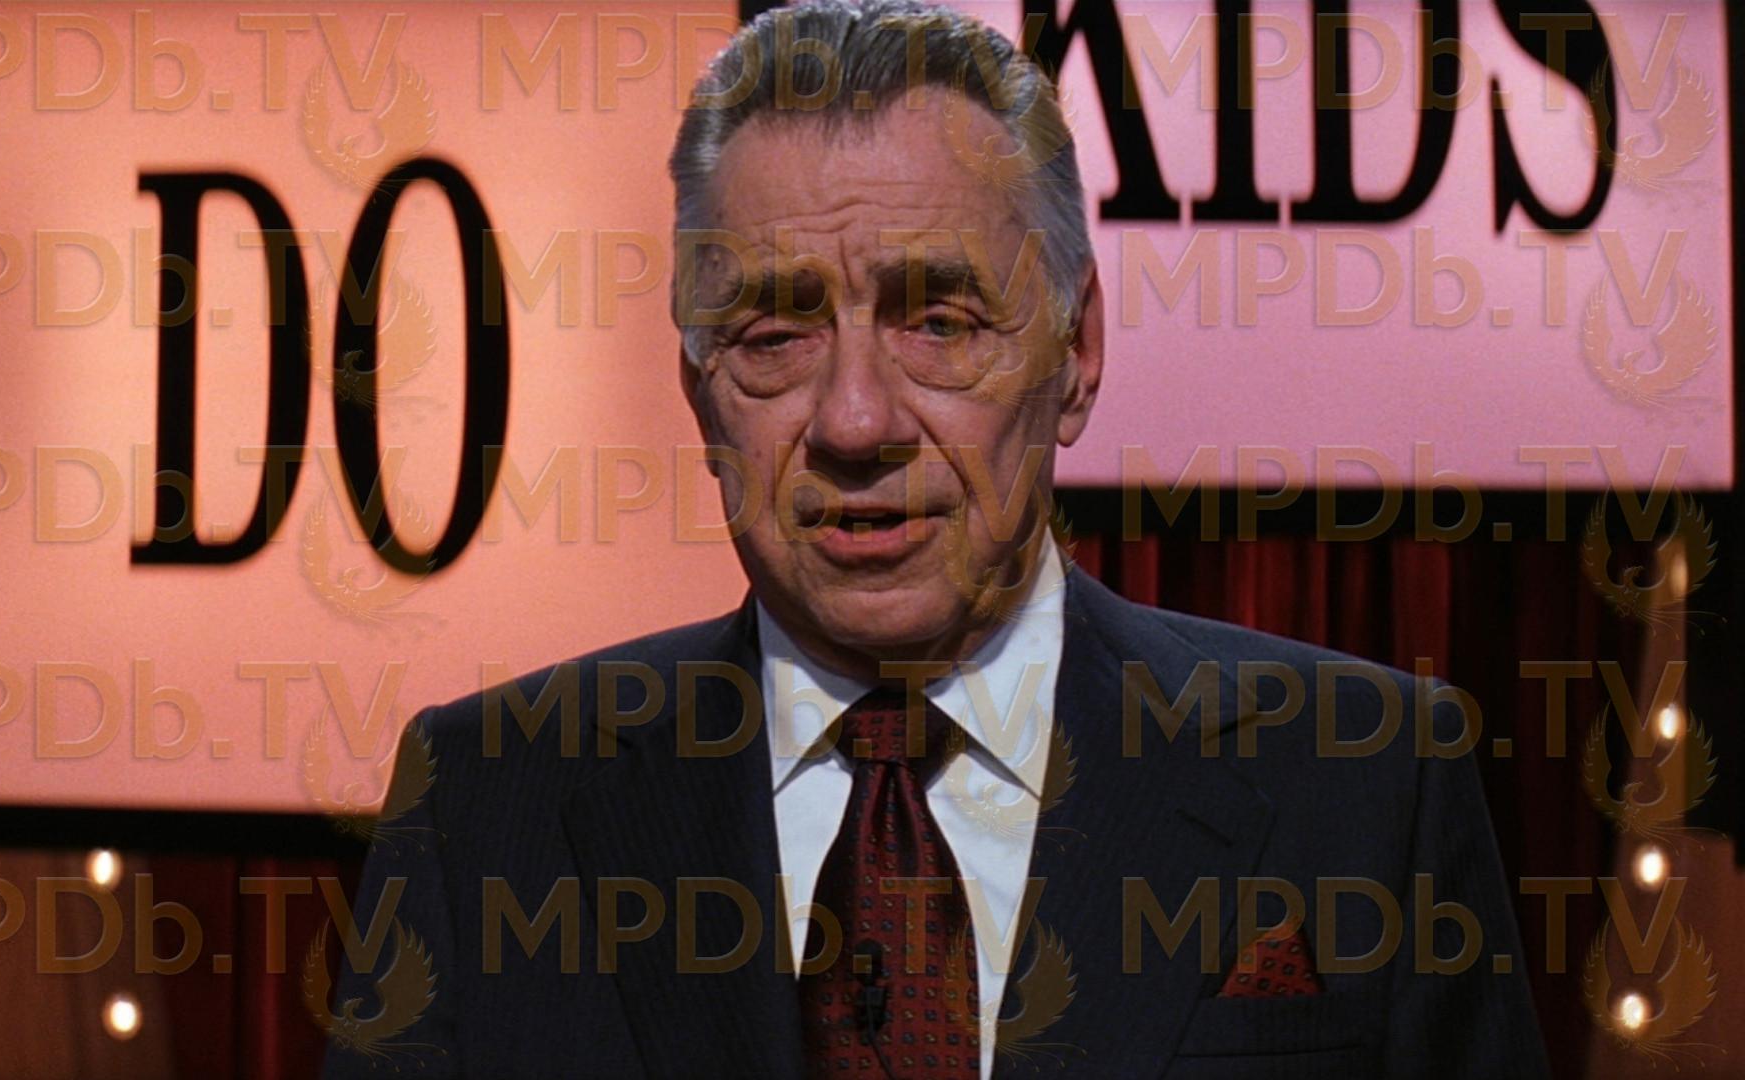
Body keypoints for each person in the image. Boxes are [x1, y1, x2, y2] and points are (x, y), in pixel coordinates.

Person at [325, 2, 1547, 1076]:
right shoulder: (487, 808)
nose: (856, 421)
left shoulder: (1361, 783)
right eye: (774, 337)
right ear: (698, 390)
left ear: (1076, 355)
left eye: (941, 323)